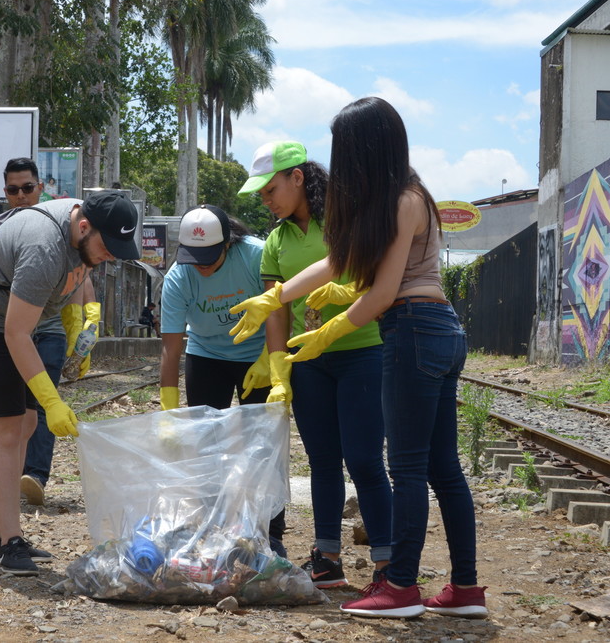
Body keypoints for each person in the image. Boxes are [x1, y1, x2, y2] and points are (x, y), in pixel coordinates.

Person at [229, 97, 485, 619]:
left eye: (344, 149)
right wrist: (274, 298)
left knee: (407, 469)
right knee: (443, 468)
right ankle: (464, 590)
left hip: (412, 329)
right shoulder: (405, 196)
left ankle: (401, 588)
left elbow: (385, 292)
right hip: (435, 328)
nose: (339, 163)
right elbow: (337, 261)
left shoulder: (402, 200)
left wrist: (332, 331)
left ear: (365, 149)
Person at [0, 187, 137, 577]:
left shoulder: (81, 238)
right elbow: (16, 334)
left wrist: (77, 325)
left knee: (27, 423)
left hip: (13, 324)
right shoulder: (44, 247)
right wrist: (52, 400)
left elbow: (64, 288)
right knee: (5, 429)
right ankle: (7, 544)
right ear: (84, 226)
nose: (112, 255)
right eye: (109, 246)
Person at [237, 140, 392, 589]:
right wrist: (278, 368)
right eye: (262, 195)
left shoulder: (346, 221)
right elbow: (276, 312)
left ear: (297, 177)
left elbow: (378, 279)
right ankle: (326, 559)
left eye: (270, 190)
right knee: (323, 461)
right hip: (309, 362)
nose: (266, 201)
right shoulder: (274, 244)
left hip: (364, 351)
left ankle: (386, 566)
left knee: (364, 460)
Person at [0, 157, 97, 508]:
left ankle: (34, 474)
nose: (21, 195)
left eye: (27, 188)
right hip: (8, 327)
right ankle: (8, 497)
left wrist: (81, 323)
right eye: (13, 190)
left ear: (40, 188)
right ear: (5, 193)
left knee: (36, 410)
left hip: (47, 329)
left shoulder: (67, 226)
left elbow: (80, 278)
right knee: (18, 418)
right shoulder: (2, 227)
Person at [157, 204, 287, 557]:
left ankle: (270, 533)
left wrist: (275, 368)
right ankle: (212, 525)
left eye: (209, 256)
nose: (201, 264)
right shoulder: (178, 277)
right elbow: (171, 348)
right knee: (206, 443)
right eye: (194, 256)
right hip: (207, 355)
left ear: (228, 244)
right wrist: (168, 413)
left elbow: (281, 309)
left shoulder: (257, 256)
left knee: (264, 446)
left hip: (258, 355)